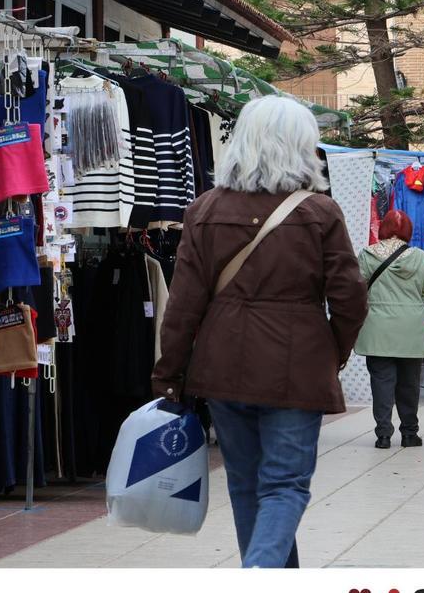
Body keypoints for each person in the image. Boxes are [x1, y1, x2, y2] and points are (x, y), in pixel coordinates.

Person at [152, 95, 368, 568]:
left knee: (247, 484)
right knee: (285, 485)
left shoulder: (204, 209)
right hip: (298, 365)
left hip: (221, 363)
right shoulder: (320, 212)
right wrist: (333, 352)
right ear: (302, 146)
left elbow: (184, 303)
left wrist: (169, 373)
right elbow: (350, 297)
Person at [355, 210, 424, 450]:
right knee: (409, 385)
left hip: (377, 329)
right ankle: (410, 433)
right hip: (410, 329)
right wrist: (419, 317)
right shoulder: (420, 257)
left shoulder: (367, 255)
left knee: (381, 384)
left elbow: (357, 291)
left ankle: (383, 435)